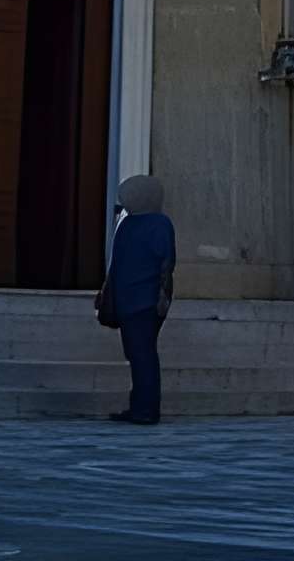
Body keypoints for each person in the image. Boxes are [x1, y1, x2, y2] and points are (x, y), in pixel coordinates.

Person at [100, 174, 176, 424]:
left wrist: (162, 297)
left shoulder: (153, 224)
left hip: (143, 301)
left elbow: (165, 265)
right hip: (132, 301)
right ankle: (140, 406)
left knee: (142, 356)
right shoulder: (133, 224)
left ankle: (146, 410)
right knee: (138, 355)